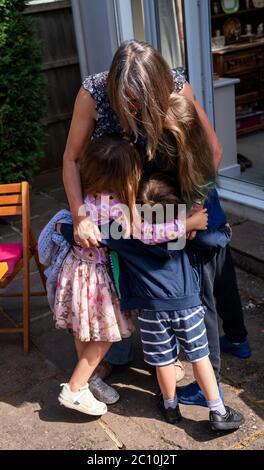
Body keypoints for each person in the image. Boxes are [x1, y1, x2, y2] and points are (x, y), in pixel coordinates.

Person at [62, 40, 250, 406]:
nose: (134, 109)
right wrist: (80, 215)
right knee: (142, 269)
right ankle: (150, 352)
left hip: (176, 188)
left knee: (193, 278)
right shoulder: (92, 93)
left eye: (141, 101)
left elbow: (212, 149)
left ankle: (199, 373)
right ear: (113, 87)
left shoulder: (177, 86)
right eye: (127, 101)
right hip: (130, 194)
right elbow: (70, 159)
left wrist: (191, 209)